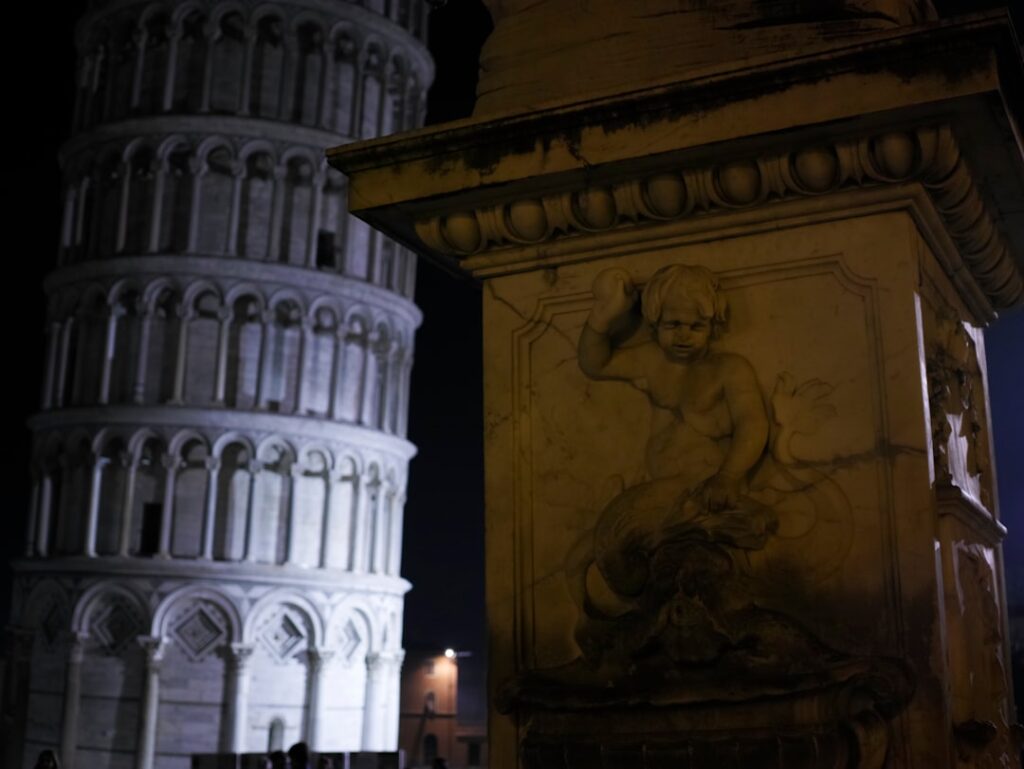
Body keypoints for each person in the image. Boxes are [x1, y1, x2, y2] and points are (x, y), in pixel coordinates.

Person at [576, 264, 770, 626]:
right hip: (659, 495)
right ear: (654, 324)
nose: (684, 336)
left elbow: (752, 424)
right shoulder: (652, 360)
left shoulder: (729, 369)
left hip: (707, 493)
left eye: (696, 326)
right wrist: (603, 318)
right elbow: (594, 363)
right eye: (672, 325)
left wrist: (728, 477)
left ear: (714, 326)